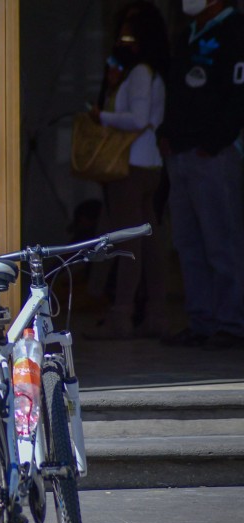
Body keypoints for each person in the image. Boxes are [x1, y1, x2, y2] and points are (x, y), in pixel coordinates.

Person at [158, 0, 244, 349]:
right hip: (179, 154)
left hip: (214, 155)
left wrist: (215, 142)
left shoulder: (235, 31)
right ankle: (201, 321)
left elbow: (238, 96)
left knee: (222, 242)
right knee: (188, 243)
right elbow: (175, 91)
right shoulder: (187, 34)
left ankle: (232, 323)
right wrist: (166, 133)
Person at [83, 1, 170, 340]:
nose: (122, 38)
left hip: (132, 166)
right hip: (148, 164)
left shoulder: (140, 73)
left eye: (129, 33)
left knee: (129, 242)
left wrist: (101, 116)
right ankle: (155, 314)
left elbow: (138, 118)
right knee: (150, 242)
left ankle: (122, 314)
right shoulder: (150, 71)